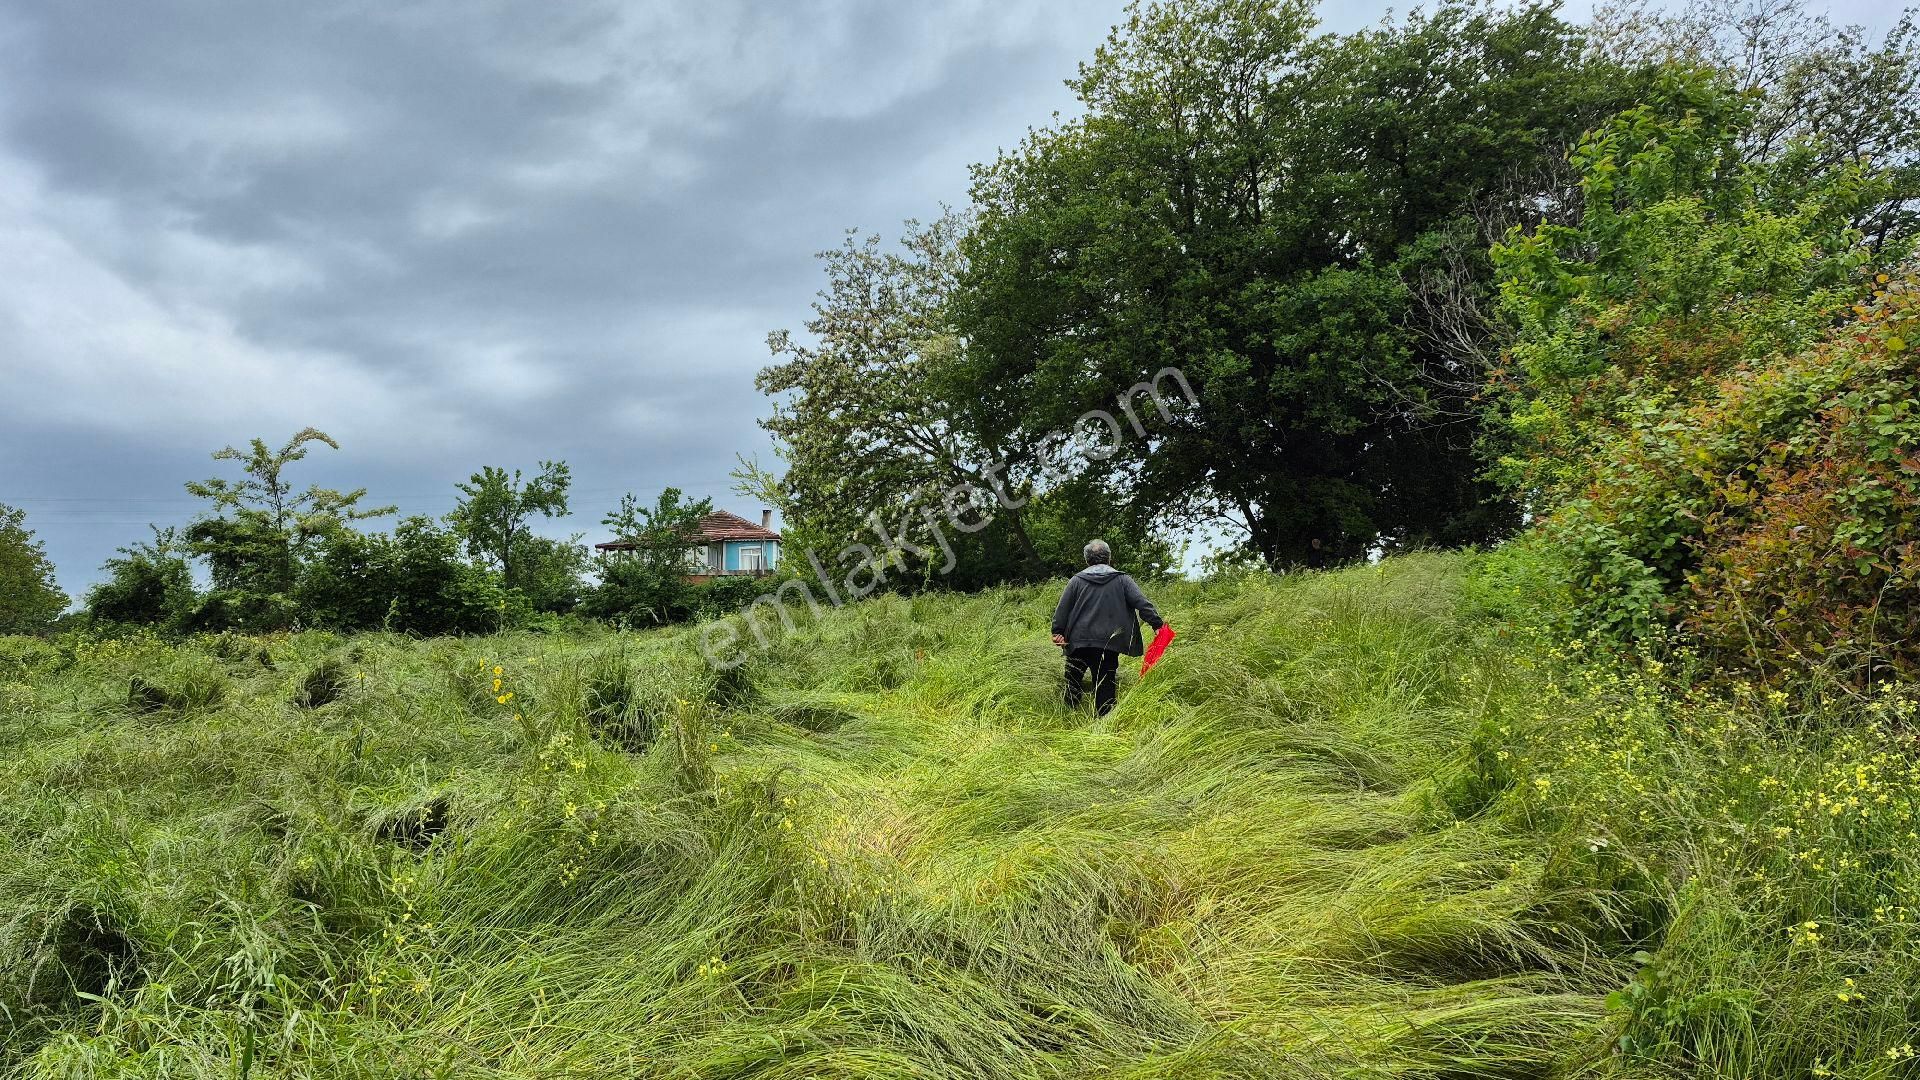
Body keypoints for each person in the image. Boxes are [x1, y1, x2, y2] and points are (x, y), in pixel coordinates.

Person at [1050, 539, 1163, 716]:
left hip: (1079, 642)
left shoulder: (1076, 581)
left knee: (1072, 682)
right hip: (1109, 643)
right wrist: (1157, 625)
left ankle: (1067, 719)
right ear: (1109, 558)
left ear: (1087, 560)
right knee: (1105, 684)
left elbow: (1062, 608)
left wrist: (1057, 631)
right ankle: (1103, 723)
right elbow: (1142, 603)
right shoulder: (1123, 580)